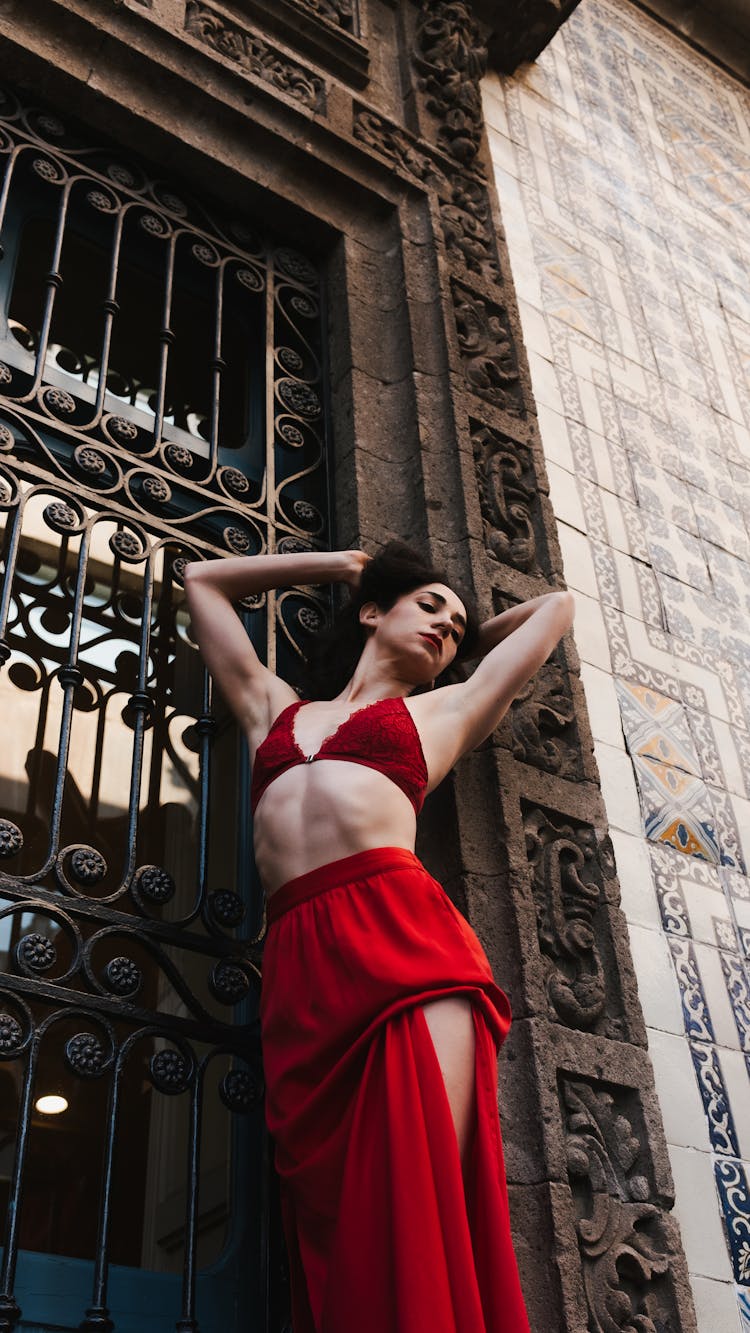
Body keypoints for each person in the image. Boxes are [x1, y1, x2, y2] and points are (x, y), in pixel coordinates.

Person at [184, 541, 575, 1333]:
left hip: (410, 953)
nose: (444, 625)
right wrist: (344, 566)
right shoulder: (274, 708)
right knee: (330, 1219)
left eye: (455, 626)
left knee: (413, 1198)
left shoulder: (445, 711)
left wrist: (470, 639)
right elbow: (203, 582)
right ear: (372, 611)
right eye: (429, 604)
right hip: (300, 961)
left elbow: (557, 608)